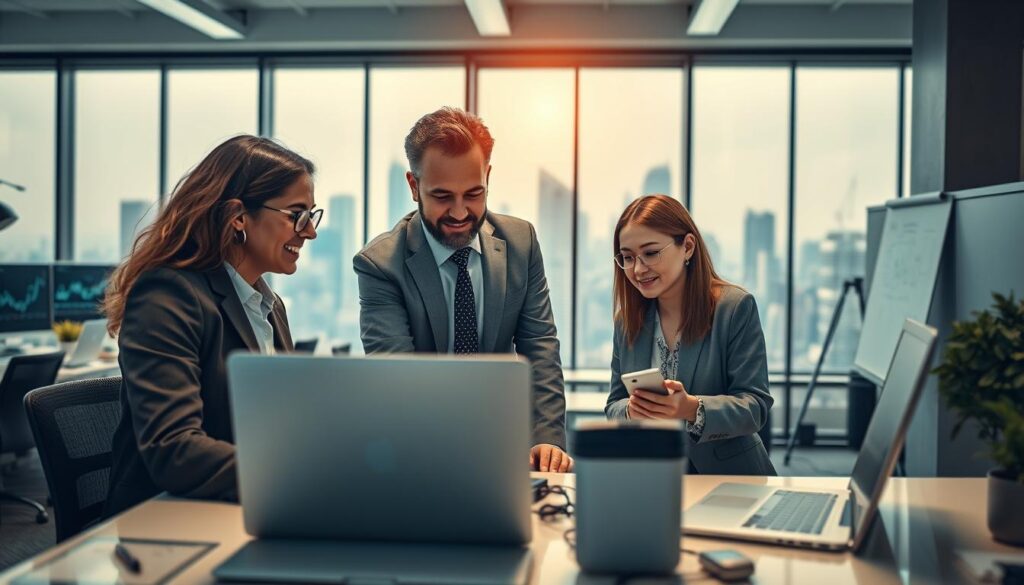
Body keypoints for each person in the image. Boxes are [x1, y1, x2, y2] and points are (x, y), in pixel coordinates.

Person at [103, 135, 322, 516]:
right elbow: (173, 448)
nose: (309, 231)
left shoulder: (269, 306)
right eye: (296, 215)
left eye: (311, 216)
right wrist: (297, 475)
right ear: (238, 216)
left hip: (243, 506)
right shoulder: (168, 296)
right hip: (166, 523)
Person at [354, 107, 572, 472]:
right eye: (442, 196)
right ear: (413, 186)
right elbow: (398, 383)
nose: (459, 212)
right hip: (420, 456)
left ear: (488, 176)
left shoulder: (521, 242)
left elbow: (540, 350)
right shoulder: (380, 265)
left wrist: (547, 438)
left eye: (473, 194)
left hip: (511, 454)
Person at [605, 195, 775, 475]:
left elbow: (755, 407)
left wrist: (692, 408)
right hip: (653, 478)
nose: (637, 269)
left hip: (729, 478)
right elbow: (613, 405)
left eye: (650, 253)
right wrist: (632, 411)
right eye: (627, 257)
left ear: (687, 247)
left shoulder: (733, 308)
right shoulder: (627, 321)